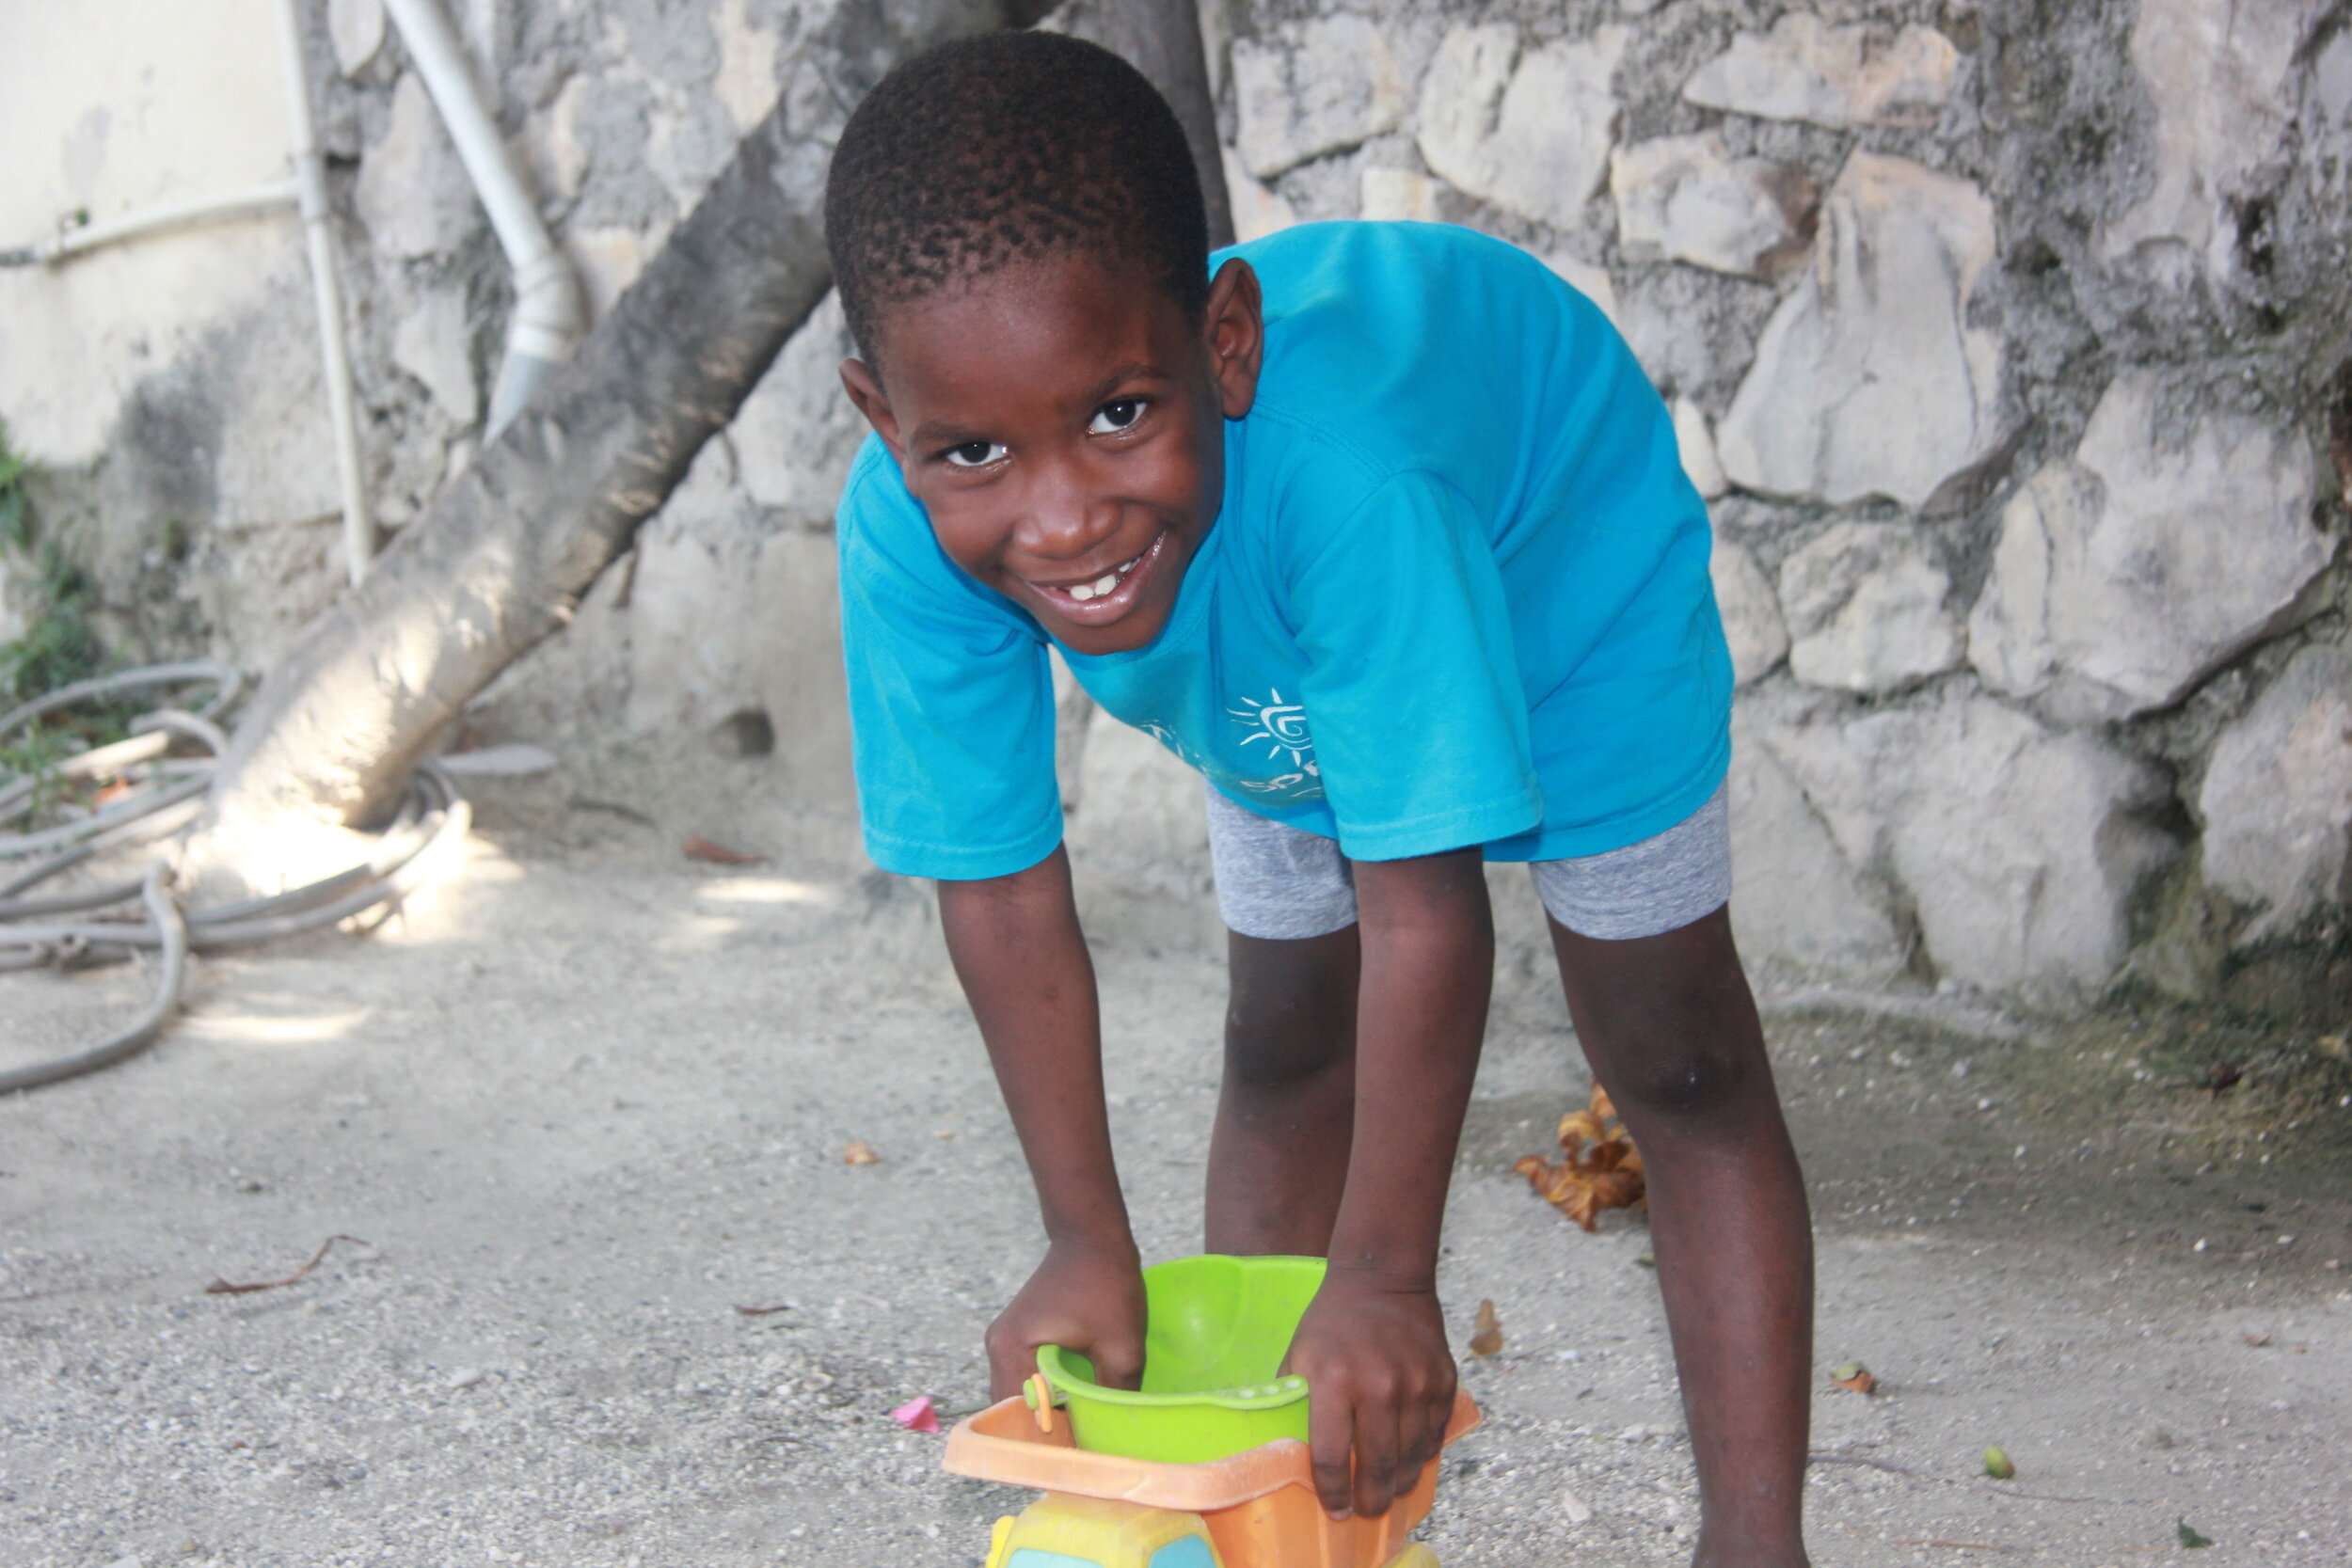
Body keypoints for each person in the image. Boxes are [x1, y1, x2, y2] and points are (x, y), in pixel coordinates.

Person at [820, 29, 1814, 1565]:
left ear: (1224, 344)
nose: (1064, 515)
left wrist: (1390, 1276)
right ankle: (1268, 1500)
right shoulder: (906, 537)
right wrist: (1086, 1237)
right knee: (1285, 1035)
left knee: (1671, 1053)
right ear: (885, 421)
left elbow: (1429, 910)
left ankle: (1759, 1548)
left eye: (1115, 413)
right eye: (971, 450)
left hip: (1558, 569)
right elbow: (1005, 895)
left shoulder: (1352, 492)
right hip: (1280, 647)